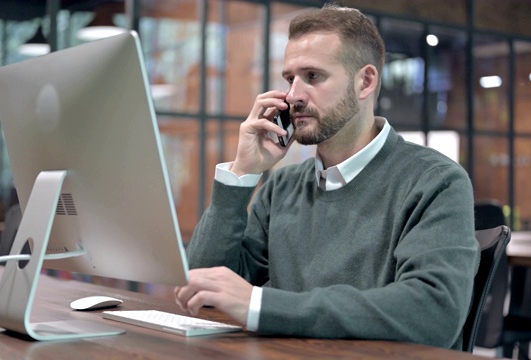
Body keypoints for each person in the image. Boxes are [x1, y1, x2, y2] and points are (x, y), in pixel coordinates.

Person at [174, 3, 479, 350]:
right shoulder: (282, 186)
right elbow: (207, 291)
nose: (293, 96)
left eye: (313, 77)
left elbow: (433, 312)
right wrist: (243, 173)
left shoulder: (435, 181)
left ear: (365, 82)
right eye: (290, 79)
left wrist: (263, 306)